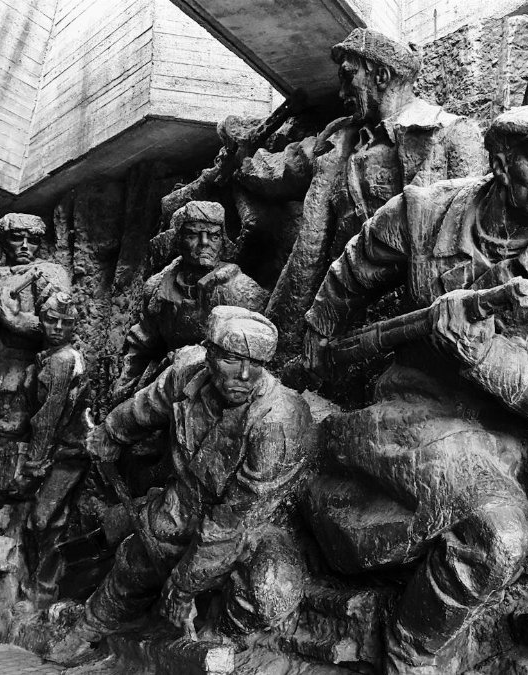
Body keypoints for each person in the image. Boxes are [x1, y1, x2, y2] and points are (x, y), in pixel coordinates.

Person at [302, 104, 528, 674]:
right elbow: (346, 280)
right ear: (499, 162)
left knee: (496, 536)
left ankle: (415, 647)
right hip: (406, 412)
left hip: (503, 437)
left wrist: (476, 350)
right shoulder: (423, 214)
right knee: (494, 532)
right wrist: (322, 342)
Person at [47, 306, 314, 666]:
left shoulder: (279, 420)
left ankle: (219, 639)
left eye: (257, 363)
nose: (245, 375)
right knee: (135, 562)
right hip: (185, 502)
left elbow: (235, 520)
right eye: (233, 360)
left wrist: (184, 584)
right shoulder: (188, 375)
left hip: (256, 525)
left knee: (270, 590)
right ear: (210, 353)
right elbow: (145, 407)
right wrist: (110, 433)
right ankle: (88, 627)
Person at [235, 28, 488, 356]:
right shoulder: (336, 145)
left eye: (347, 76)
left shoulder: (452, 135)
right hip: (338, 315)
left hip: (411, 321)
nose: (341, 91)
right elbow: (279, 170)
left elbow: (470, 243)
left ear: (381, 75)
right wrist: (241, 162)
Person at [111, 201, 267, 404]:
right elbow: (142, 342)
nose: (204, 243)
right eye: (193, 235)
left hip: (219, 389)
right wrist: (125, 388)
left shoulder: (240, 291)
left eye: (214, 236)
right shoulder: (158, 287)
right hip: (166, 382)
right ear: (178, 240)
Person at [0, 213, 71, 499]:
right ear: (4, 241)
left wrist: (14, 318)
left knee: (8, 435)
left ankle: (8, 494)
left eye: (33, 240)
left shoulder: (49, 273)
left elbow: (59, 326)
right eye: (17, 238)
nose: (25, 246)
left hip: (25, 365)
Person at [21, 292, 92, 607]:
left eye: (65, 322)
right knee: (39, 518)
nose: (57, 327)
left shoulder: (63, 359)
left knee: (44, 518)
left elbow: (48, 416)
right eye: (51, 320)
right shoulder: (49, 356)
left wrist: (35, 460)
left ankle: (45, 590)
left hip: (68, 451)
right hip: (58, 448)